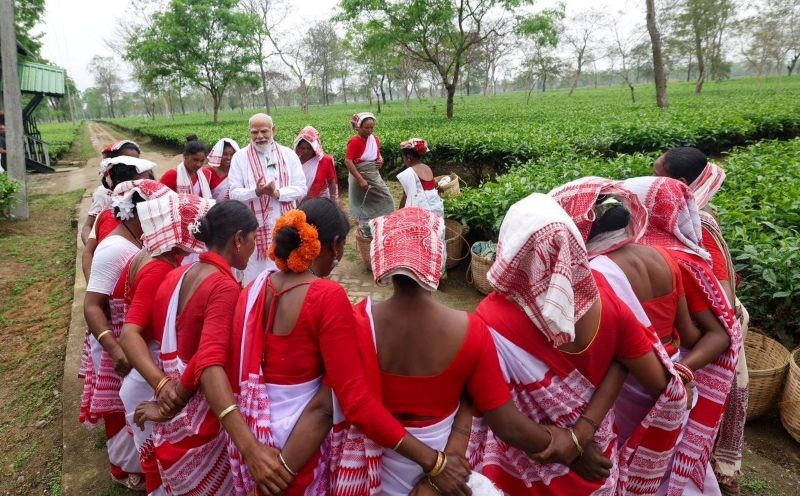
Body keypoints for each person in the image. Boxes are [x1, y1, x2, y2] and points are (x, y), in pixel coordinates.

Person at [330, 207, 612, 496]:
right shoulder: (470, 330)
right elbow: (506, 423)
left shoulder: (357, 323)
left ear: (381, 256)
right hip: (452, 470)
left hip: (378, 467)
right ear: (438, 256)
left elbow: (353, 404)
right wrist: (570, 447)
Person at [225, 199, 477, 495]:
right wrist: (434, 462)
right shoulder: (326, 296)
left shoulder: (253, 290)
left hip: (253, 447)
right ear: (334, 245)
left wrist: (254, 453)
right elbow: (345, 403)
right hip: (297, 452)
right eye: (342, 246)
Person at [473, 193, 688, 495]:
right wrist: (584, 432)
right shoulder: (608, 299)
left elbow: (501, 418)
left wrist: (572, 446)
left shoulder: (489, 319)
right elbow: (654, 381)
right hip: (596, 470)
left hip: (521, 475)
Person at [622, 176, 741, 495]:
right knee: (665, 452)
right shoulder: (678, 256)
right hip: (670, 373)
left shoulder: (672, 259)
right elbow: (703, 331)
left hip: (656, 374)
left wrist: (680, 371)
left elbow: (715, 334)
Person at [130, 200, 257, 494]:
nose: (254, 247)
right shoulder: (224, 287)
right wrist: (175, 398)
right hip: (198, 414)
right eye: (253, 238)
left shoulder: (177, 275)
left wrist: (164, 389)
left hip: (170, 403)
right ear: (238, 239)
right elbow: (208, 357)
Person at [653, 147, 749, 494]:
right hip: (702, 319)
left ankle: (704, 465)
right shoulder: (681, 214)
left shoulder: (699, 222)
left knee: (703, 406)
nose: (652, 181)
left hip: (716, 322)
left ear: (679, 182)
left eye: (657, 175)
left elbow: (721, 297)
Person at [118, 191, 215, 495]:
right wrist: (162, 385)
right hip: (149, 375)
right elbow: (129, 333)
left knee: (158, 459)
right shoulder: (160, 267)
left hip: (147, 370)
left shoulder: (154, 253)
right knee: (159, 461)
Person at [81, 179, 174, 490]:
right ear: (141, 212)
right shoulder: (113, 248)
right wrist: (115, 348)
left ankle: (138, 462)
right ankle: (121, 468)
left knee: (130, 404)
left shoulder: (138, 240)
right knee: (117, 407)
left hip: (129, 336)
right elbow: (92, 305)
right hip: (113, 340)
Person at [228, 113, 307, 285]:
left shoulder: (288, 155)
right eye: (254, 132)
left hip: (284, 228)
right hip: (253, 232)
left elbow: (301, 187)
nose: (260, 136)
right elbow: (234, 193)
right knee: (254, 280)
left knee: (284, 277)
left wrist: (277, 193)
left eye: (264, 131)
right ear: (249, 133)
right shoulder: (240, 158)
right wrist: (256, 192)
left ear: (273, 130)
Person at [81, 156, 156, 282]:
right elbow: (89, 253)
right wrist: (95, 286)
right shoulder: (110, 218)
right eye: (141, 183)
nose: (149, 187)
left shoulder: (150, 211)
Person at [81, 140, 142, 245]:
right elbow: (87, 227)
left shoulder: (139, 189)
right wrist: (94, 250)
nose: (133, 168)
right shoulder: (104, 193)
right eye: (127, 163)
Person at [344, 112, 394, 227]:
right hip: (359, 176)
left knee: (385, 197)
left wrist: (380, 159)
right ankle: (365, 225)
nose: (370, 130)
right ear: (359, 127)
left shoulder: (375, 140)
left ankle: (382, 223)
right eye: (366, 128)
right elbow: (348, 161)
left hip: (373, 175)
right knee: (362, 200)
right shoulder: (355, 141)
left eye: (372, 127)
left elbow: (377, 154)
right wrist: (360, 180)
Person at [293, 126, 338, 202]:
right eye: (303, 148)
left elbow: (331, 181)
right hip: (299, 201)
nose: (306, 151)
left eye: (309, 148)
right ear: (298, 148)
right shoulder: (295, 161)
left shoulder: (325, 160)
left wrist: (333, 199)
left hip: (320, 201)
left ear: (314, 147)